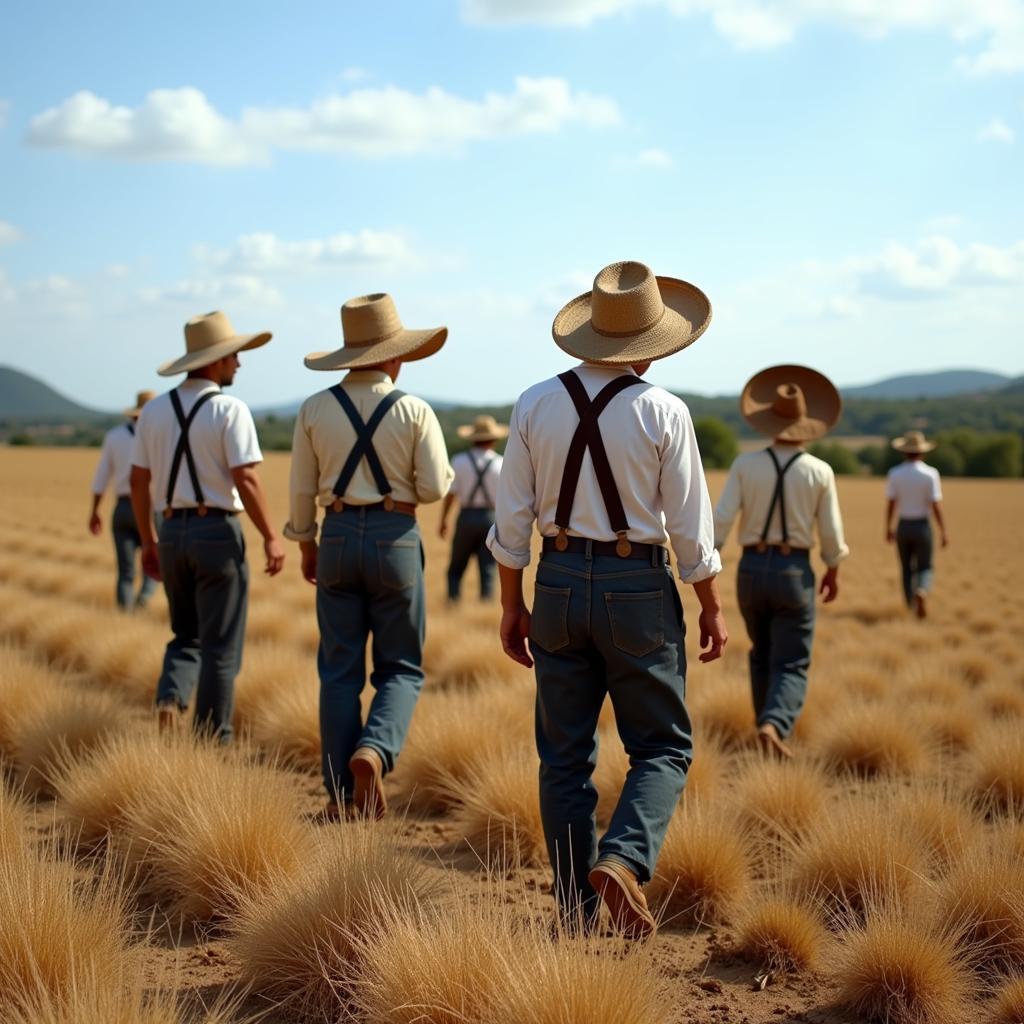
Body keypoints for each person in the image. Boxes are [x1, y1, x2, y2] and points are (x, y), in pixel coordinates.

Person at [489, 261, 727, 939]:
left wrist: (513, 603)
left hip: (557, 583)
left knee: (563, 758)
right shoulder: (664, 410)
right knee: (663, 748)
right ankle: (623, 859)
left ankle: (574, 914)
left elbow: (512, 522)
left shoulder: (534, 401)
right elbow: (690, 530)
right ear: (653, 342)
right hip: (637, 590)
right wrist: (709, 604)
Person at [284, 293, 453, 821]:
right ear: (394, 355)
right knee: (401, 666)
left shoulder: (314, 408)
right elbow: (433, 489)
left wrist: (308, 545)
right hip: (395, 535)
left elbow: (299, 488)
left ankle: (339, 795)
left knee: (338, 671)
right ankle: (374, 750)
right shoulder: (414, 409)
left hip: (333, 535)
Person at [130, 311, 284, 740]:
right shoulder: (230, 409)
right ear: (216, 361)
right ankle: (212, 737)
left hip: (172, 533)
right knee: (221, 644)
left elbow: (138, 481)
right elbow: (246, 478)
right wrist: (271, 535)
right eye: (234, 356)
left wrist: (148, 540)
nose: (239, 364)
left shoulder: (154, 411)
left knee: (185, 633)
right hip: (216, 532)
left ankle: (169, 697)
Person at [713, 365, 849, 759]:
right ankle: (774, 726)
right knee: (791, 660)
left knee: (761, 652)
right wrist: (833, 568)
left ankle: (764, 728)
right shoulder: (819, 471)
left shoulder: (744, 465)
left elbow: (722, 518)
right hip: (795, 572)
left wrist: (708, 559)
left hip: (752, 571)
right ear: (806, 424)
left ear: (769, 421)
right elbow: (831, 531)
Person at [89, 390, 158, 610]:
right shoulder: (161, 435)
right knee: (155, 563)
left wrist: (95, 511)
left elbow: (101, 477)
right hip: (152, 509)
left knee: (125, 572)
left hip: (123, 509)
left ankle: (124, 615)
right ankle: (144, 600)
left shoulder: (114, 436)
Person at [439, 414, 507, 602]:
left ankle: (453, 604)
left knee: (456, 568)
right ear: (493, 439)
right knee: (487, 569)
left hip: (466, 517)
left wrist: (443, 521)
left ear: (473, 438)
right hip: (490, 518)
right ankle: (484, 608)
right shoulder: (501, 463)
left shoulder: (459, 461)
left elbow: (450, 495)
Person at [886, 430, 948, 619]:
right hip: (922, 526)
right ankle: (922, 589)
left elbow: (891, 503)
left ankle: (910, 605)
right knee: (925, 566)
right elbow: (935, 505)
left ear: (904, 451)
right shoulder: (930, 474)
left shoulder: (895, 473)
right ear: (922, 452)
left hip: (903, 526)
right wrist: (943, 530)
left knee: (906, 569)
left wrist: (888, 528)